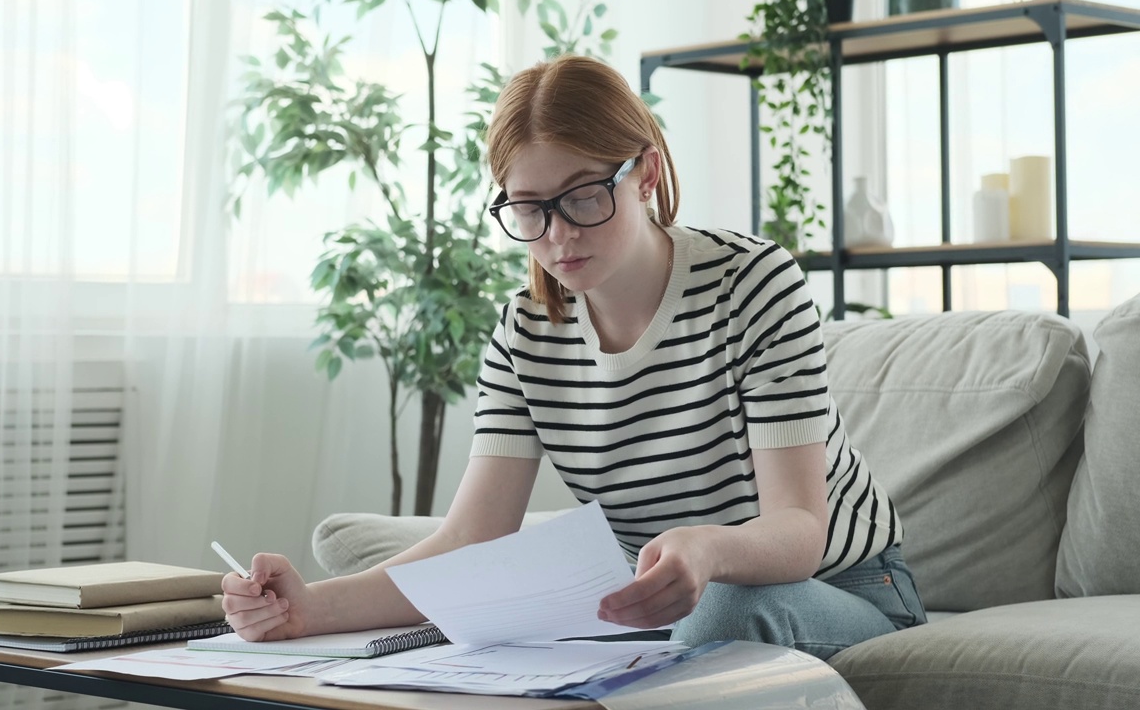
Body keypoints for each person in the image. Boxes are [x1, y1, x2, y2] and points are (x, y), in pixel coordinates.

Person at [222, 54, 926, 660]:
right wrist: (308, 608)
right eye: (529, 209)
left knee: (724, 614)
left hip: (845, 588)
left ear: (645, 174)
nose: (557, 236)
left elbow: (800, 531)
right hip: (668, 605)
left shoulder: (753, 284)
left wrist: (706, 550)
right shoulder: (525, 334)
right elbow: (471, 538)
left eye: (585, 195)